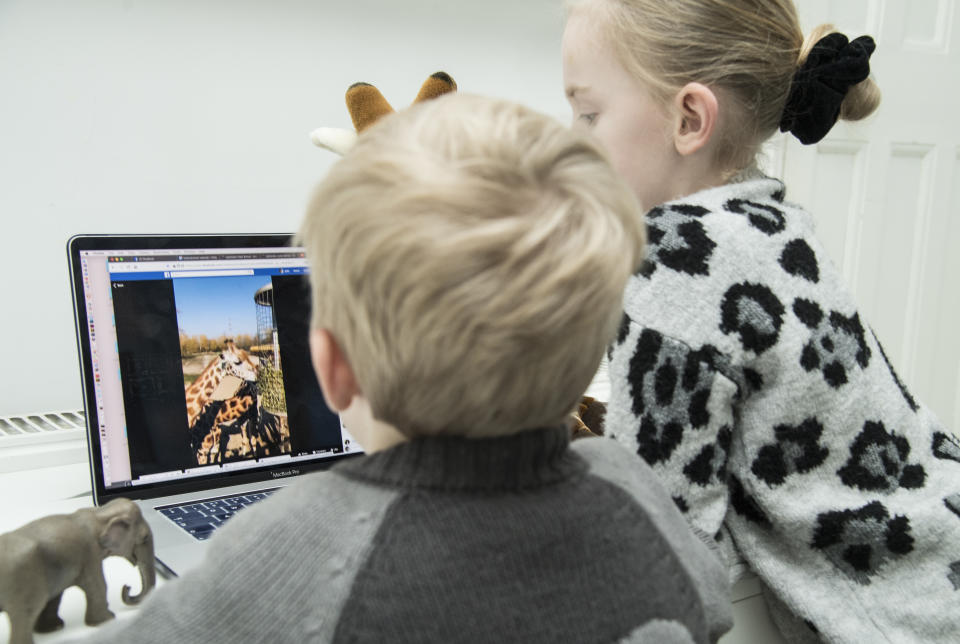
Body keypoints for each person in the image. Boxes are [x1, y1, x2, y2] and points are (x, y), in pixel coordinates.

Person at [81, 93, 732, 644]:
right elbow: (711, 606)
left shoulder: (297, 543)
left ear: (331, 369)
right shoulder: (630, 487)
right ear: (592, 354)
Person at [562, 1, 960, 642]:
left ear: (690, 117)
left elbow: (664, 542)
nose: (573, 141)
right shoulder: (773, 221)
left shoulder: (667, 263)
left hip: (903, 616)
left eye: (588, 113)